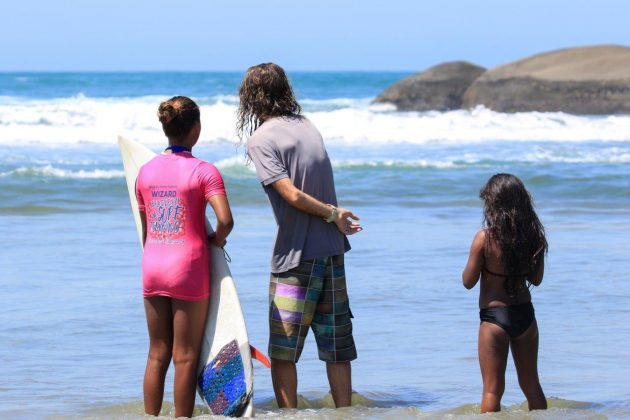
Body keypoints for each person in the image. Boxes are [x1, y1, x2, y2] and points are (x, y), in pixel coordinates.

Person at [237, 63, 362, 409]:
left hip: (296, 257)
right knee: (336, 347)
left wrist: (333, 213)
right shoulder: (307, 125)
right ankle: (345, 413)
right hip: (332, 253)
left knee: (283, 351)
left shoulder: (261, 139)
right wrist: (334, 217)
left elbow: (290, 194)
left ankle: (288, 415)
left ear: (250, 97)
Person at [135, 96, 234, 417]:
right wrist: (216, 241)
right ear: (196, 128)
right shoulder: (205, 172)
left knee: (156, 353)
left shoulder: (145, 172)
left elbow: (147, 228)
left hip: (153, 265)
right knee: (186, 356)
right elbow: (225, 220)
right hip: (187, 267)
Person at [462, 173, 548, 413]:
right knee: (532, 386)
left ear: (494, 204)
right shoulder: (534, 238)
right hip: (525, 316)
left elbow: (467, 282)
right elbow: (537, 279)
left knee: (492, 390)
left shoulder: (484, 238)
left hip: (493, 319)